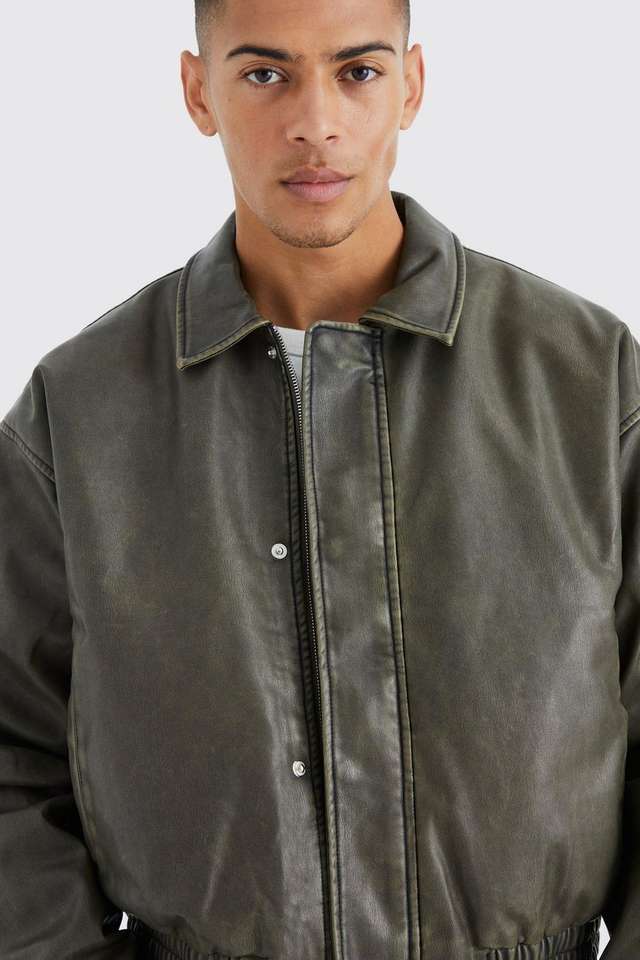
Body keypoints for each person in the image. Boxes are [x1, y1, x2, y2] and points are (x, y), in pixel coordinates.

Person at [0, 1, 637, 958]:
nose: (315, 122)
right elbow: (12, 757)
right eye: (265, 74)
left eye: (358, 72)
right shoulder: (82, 411)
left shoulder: (587, 380)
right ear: (197, 92)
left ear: (411, 85)